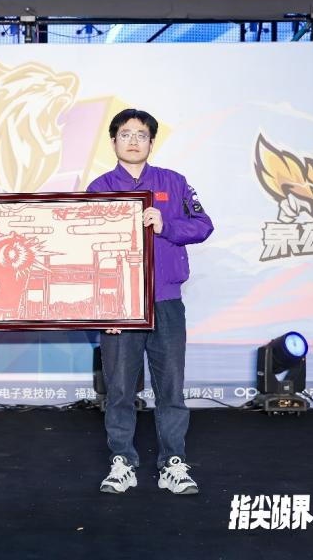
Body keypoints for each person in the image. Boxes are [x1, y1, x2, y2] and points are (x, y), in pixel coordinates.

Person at [87, 109, 214, 495]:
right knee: (120, 390)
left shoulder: (174, 183)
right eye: (125, 134)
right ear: (113, 142)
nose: (133, 141)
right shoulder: (99, 188)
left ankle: (173, 462)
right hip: (119, 304)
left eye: (141, 135)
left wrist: (167, 225)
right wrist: (103, 310)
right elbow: (84, 250)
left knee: (171, 388)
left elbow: (203, 225)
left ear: (151, 142)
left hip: (166, 301)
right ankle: (122, 461)